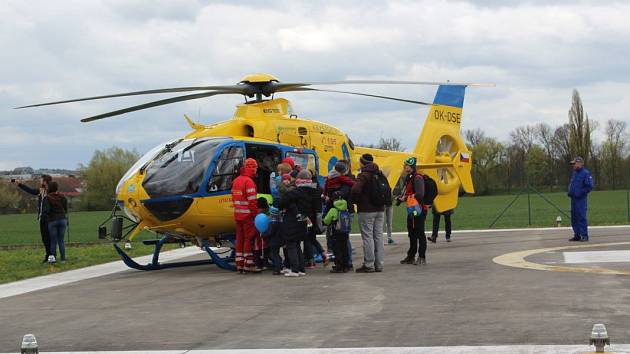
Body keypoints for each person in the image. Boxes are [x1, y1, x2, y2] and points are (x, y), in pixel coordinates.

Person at [351, 153, 386, 273]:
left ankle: (369, 264)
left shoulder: (364, 175)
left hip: (366, 210)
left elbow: (355, 189)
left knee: (367, 237)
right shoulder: (379, 173)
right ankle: (379, 264)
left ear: (362, 162)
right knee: (378, 236)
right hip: (380, 209)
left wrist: (356, 200)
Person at [279, 169, 315, 277]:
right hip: (304, 220)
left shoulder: (293, 193)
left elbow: (281, 204)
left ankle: (294, 269)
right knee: (298, 244)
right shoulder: (313, 192)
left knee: (291, 244)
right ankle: (301, 269)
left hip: (292, 221)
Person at [12, 174, 53, 263]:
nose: (40, 181)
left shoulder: (50, 191)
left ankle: (51, 256)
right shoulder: (41, 190)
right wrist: (20, 184)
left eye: (41, 180)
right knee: (44, 238)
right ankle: (48, 255)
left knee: (49, 238)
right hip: (42, 218)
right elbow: (31, 191)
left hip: (48, 218)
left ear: (45, 181)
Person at [323, 161, 355, 269]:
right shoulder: (347, 180)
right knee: (344, 238)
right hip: (346, 211)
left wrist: (328, 197)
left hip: (336, 212)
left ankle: (343, 263)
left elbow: (328, 193)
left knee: (339, 240)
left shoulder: (330, 179)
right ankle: (346, 262)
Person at [397, 157, 428, 266]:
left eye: (406, 165)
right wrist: (403, 198)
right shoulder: (408, 178)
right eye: (404, 165)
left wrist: (407, 197)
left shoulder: (417, 178)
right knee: (412, 233)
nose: (404, 167)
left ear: (411, 166)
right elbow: (411, 194)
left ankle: (422, 256)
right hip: (412, 209)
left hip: (419, 210)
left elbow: (420, 194)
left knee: (419, 233)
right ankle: (411, 256)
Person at [231, 158, 260, 273]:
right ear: (252, 167)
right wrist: (255, 214)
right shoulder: (249, 182)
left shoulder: (236, 180)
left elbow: (234, 198)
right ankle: (248, 264)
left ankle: (239, 264)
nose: (256, 169)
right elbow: (252, 201)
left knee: (240, 239)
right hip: (247, 216)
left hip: (238, 215)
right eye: (256, 167)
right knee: (249, 239)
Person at [323, 192, 351, 273]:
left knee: (337, 249)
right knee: (345, 248)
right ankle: (346, 265)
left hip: (336, 232)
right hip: (345, 231)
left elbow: (326, 221)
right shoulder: (345, 208)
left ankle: (339, 266)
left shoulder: (333, 210)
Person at [567, 156, 593, 242]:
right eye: (573, 164)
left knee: (581, 217)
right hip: (573, 199)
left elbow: (589, 187)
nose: (573, 166)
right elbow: (573, 184)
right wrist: (570, 191)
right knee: (574, 217)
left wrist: (579, 193)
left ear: (580, 163)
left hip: (581, 200)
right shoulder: (574, 173)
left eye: (574, 164)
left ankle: (584, 236)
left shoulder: (586, 173)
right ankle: (577, 235)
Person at [42, 181, 68, 263]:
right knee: (61, 240)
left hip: (52, 221)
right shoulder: (62, 197)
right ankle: (63, 259)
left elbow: (46, 210)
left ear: (49, 188)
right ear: (57, 188)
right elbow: (66, 209)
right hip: (62, 220)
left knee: (53, 241)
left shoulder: (47, 198)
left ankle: (52, 260)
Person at [262, 206, 284, 275]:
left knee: (274, 255)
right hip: (279, 241)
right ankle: (280, 265)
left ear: (271, 215)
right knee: (276, 254)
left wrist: (263, 235)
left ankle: (277, 269)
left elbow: (269, 233)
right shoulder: (280, 223)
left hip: (273, 242)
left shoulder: (272, 223)